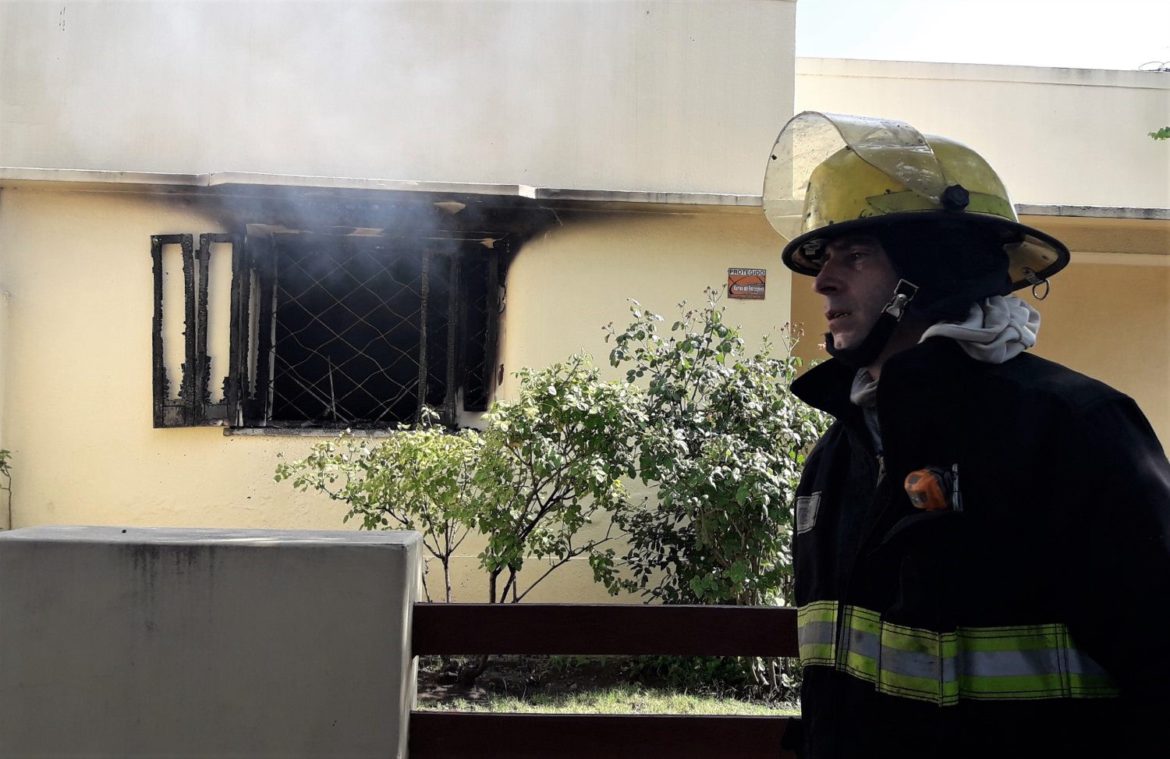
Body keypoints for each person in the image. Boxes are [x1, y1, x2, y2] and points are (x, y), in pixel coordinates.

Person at [763, 112, 1170, 758]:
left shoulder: (1077, 432)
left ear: (935, 267)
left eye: (855, 254)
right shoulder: (836, 457)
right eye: (824, 258)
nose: (822, 281)